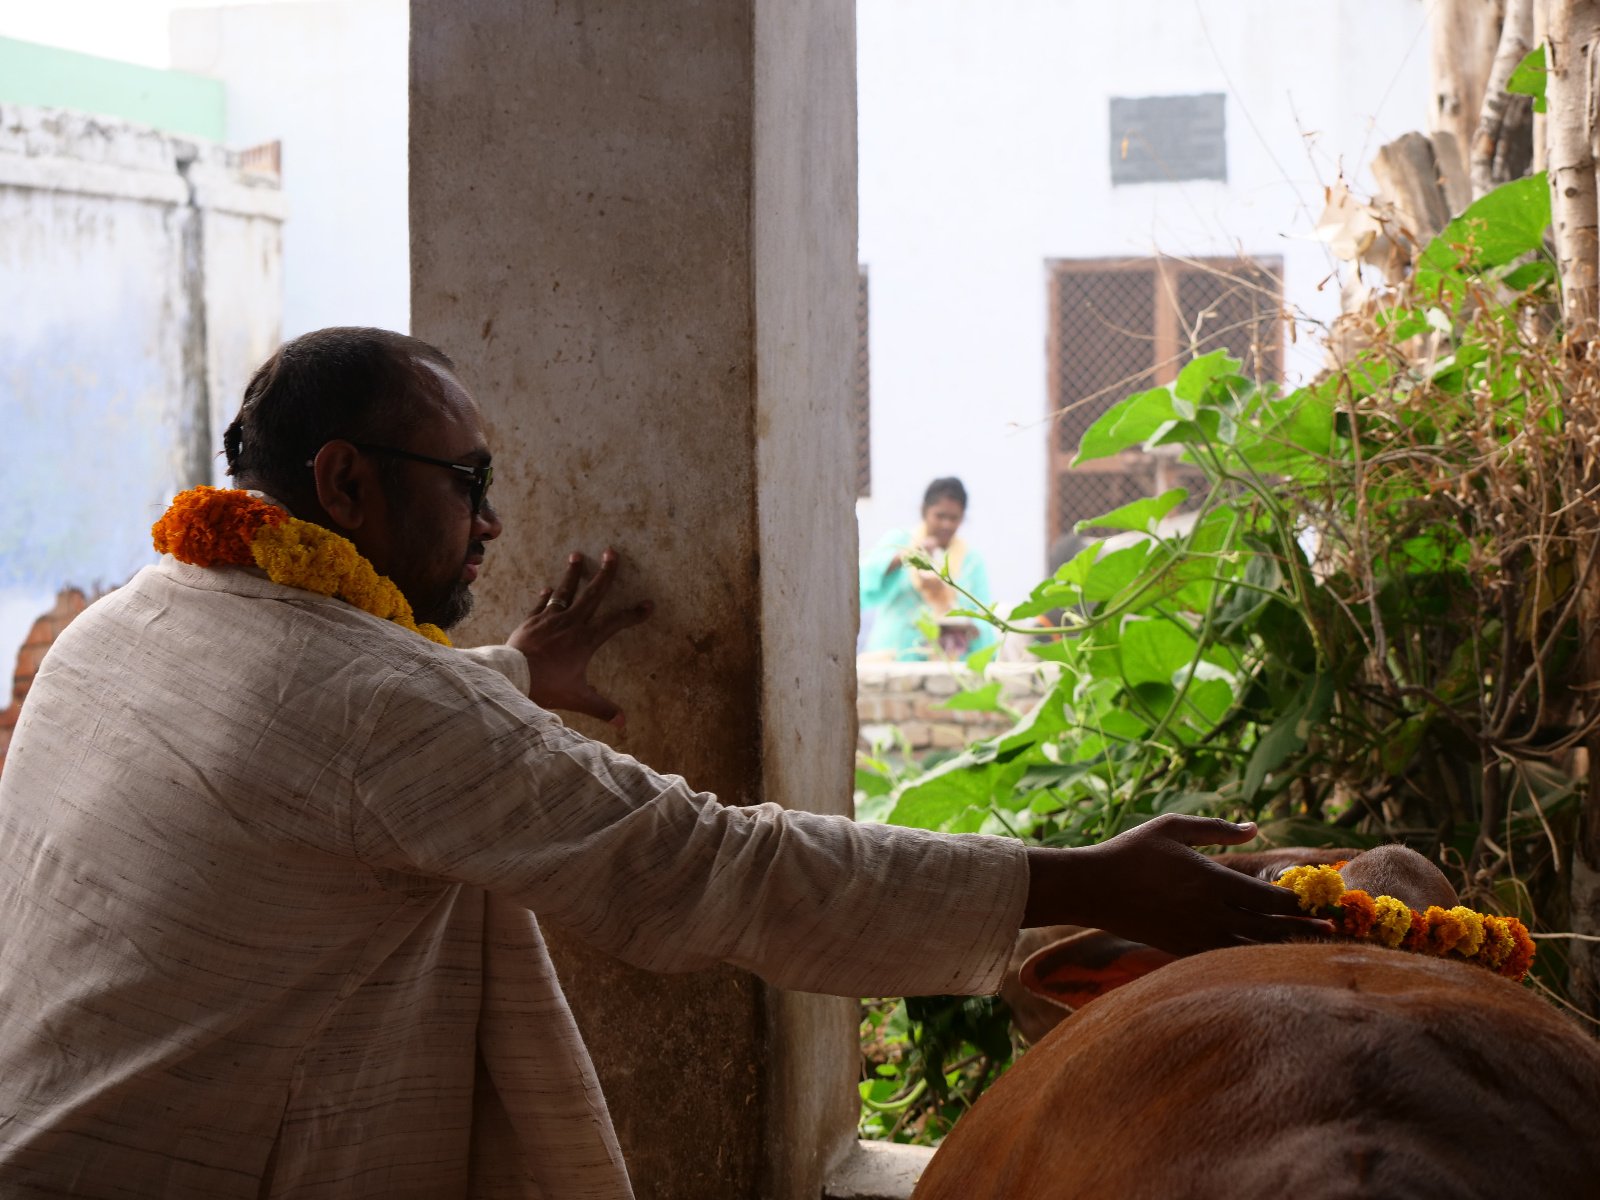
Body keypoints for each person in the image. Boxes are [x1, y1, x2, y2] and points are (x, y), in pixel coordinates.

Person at [0, 328, 1327, 1199]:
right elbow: (710, 865)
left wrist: (510, 677)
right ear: (345, 484)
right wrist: (1082, 881)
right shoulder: (374, 704)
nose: (492, 521)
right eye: (468, 479)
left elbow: (310, 749)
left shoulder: (131, 619)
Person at [859, 477, 996, 660]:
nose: (946, 524)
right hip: (895, 654)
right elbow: (862, 578)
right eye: (940, 516)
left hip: (949, 661)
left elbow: (984, 616)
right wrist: (907, 556)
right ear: (924, 511)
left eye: (953, 518)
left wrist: (962, 621)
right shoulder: (901, 541)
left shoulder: (972, 561)